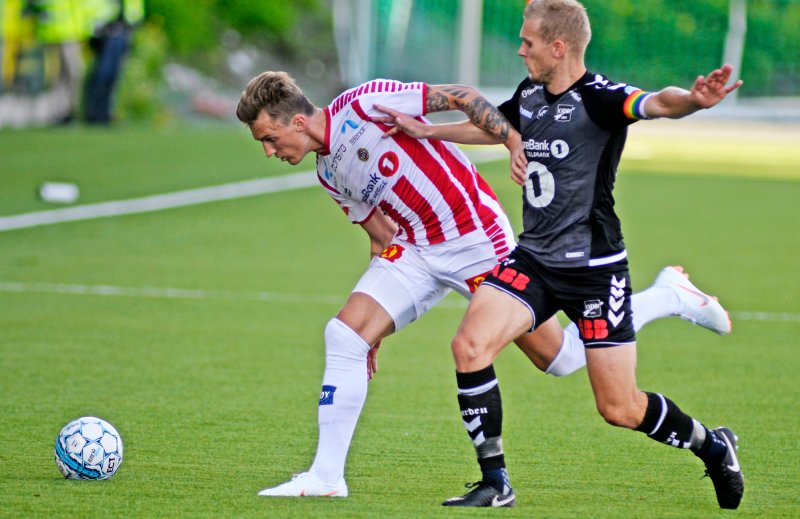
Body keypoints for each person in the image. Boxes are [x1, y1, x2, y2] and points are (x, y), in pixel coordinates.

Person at [235, 70, 731, 499]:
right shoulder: (326, 171)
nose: (268, 151)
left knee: (559, 360)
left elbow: (460, 94)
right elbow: (379, 235)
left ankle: (669, 295)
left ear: (296, 121)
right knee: (344, 336)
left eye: (269, 138)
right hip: (414, 249)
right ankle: (326, 476)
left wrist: (512, 138)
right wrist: (372, 328)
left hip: (473, 237)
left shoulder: (365, 104)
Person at [377, 0, 744, 509]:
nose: (520, 48)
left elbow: (658, 102)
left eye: (528, 42)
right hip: (533, 260)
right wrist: (429, 132)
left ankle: (712, 444)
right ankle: (495, 482)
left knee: (619, 407)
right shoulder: (530, 92)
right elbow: (497, 126)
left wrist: (696, 101)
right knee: (469, 346)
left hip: (595, 270)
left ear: (558, 47)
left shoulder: (599, 98)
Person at [82, 0, 143, 124]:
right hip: (105, 32)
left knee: (113, 76)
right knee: (103, 74)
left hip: (123, 31)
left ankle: (105, 113)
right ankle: (94, 113)